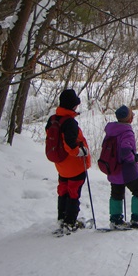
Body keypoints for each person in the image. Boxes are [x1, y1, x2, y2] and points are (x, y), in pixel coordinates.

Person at [46, 89, 91, 232]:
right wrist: (82, 151)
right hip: (74, 166)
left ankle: (62, 218)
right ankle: (70, 221)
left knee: (63, 190)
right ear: (72, 105)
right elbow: (70, 145)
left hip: (61, 164)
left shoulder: (53, 119)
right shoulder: (70, 122)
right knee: (73, 192)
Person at [103, 105, 138, 229]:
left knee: (116, 193)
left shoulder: (111, 130)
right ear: (128, 118)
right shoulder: (126, 132)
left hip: (113, 168)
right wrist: (134, 158)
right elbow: (125, 150)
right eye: (131, 114)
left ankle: (115, 219)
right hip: (126, 169)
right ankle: (137, 219)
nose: (133, 116)